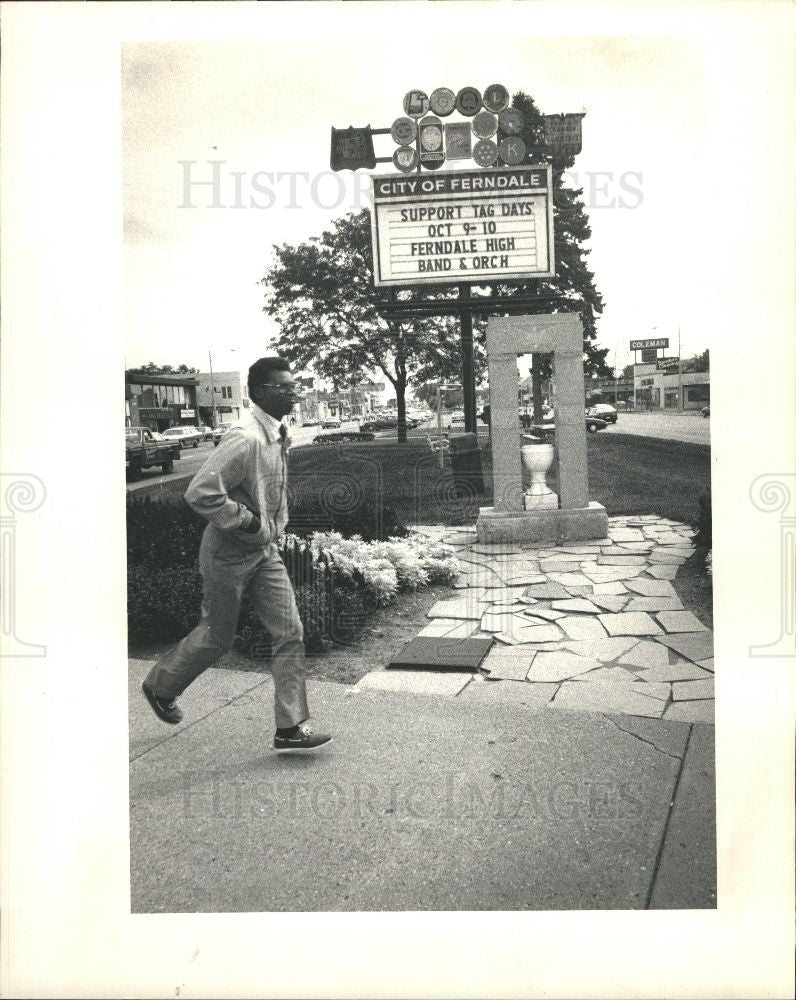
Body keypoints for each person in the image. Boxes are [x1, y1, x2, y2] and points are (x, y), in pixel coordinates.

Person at [141, 356, 332, 752]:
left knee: (290, 631)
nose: (294, 393)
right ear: (260, 393)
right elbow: (200, 492)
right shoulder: (245, 437)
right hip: (228, 553)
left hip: (264, 552)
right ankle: (160, 686)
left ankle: (290, 727)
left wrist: (271, 526)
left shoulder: (276, 432)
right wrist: (248, 523)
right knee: (217, 636)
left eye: (295, 385)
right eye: (285, 387)